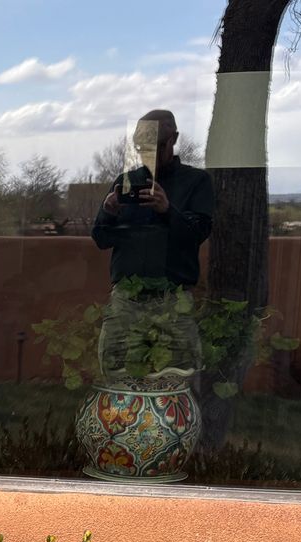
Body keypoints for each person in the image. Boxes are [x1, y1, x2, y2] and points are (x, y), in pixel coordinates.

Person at [89, 110, 215, 382]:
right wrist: (108, 211)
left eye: (156, 146)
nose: (148, 154)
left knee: (180, 379)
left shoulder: (196, 182)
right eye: (141, 147)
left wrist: (168, 210)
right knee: (115, 373)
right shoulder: (127, 182)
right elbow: (101, 239)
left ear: (174, 139)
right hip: (127, 299)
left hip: (173, 300)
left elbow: (198, 234)